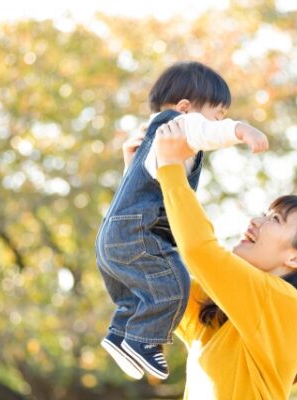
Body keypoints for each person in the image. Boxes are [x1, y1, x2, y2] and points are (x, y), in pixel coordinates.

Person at [95, 61, 269, 380]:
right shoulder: (179, 124)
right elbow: (209, 132)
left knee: (136, 294)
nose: (219, 121)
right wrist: (243, 129)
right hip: (139, 235)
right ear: (186, 107)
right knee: (174, 282)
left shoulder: (151, 137)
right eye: (218, 113)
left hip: (113, 236)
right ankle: (143, 342)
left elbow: (137, 188)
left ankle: (121, 336)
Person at [152, 119, 297, 398]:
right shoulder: (219, 315)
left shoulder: (287, 305)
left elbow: (199, 250)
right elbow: (151, 275)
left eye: (276, 220)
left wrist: (170, 166)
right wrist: (140, 181)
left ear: (296, 258)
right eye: (265, 215)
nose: (256, 221)